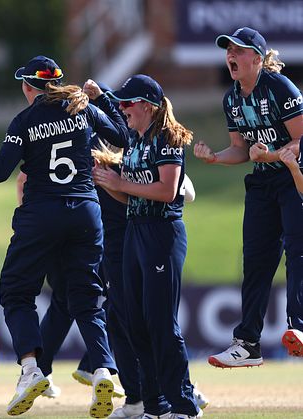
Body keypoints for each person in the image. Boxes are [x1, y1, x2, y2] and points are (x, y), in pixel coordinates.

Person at [0, 55, 129, 418]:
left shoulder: (24, 120)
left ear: (28, 87)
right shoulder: (82, 108)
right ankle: (103, 369)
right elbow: (122, 135)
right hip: (86, 211)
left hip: (41, 214)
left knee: (16, 291)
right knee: (87, 298)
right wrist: (102, 99)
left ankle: (31, 369)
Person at [194, 27, 303, 367]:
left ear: (257, 57)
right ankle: (248, 344)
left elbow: (301, 142)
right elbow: (240, 150)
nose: (231, 56)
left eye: (239, 51)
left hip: (293, 180)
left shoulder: (280, 87)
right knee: (254, 261)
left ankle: (298, 326)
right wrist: (215, 157)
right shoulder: (232, 99)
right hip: (262, 184)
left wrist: (271, 156)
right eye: (228, 50)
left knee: (297, 251)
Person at [93, 74, 199, 418]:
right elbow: (130, 198)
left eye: (128, 103)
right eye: (121, 103)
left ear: (148, 106)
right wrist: (108, 181)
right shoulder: (135, 141)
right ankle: (154, 406)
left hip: (162, 233)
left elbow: (167, 191)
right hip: (136, 231)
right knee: (135, 322)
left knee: (160, 323)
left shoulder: (167, 138)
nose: (122, 109)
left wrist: (120, 180)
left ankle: (184, 404)